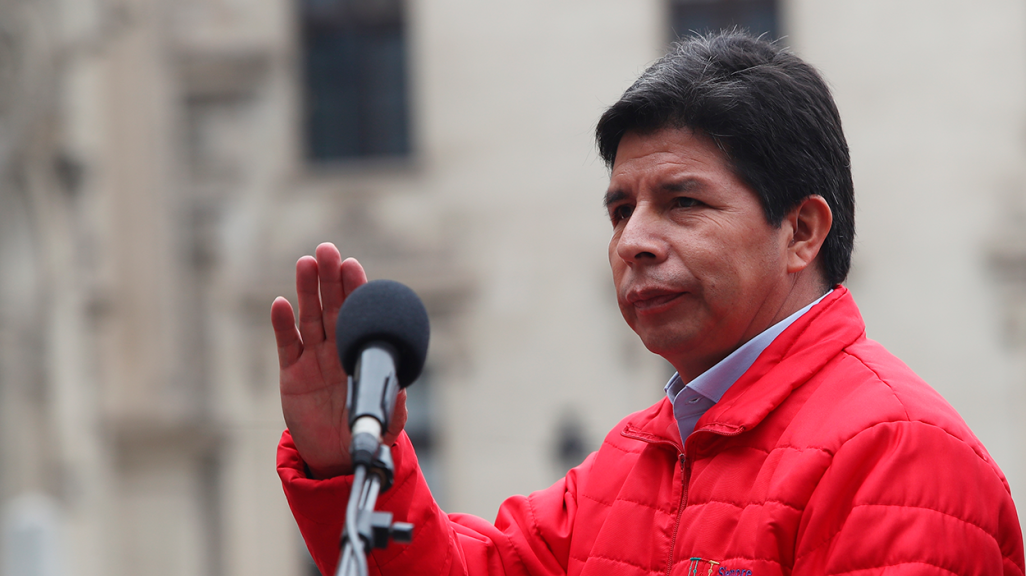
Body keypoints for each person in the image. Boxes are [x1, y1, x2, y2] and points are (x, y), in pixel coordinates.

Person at [272, 31, 1025, 575]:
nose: (634, 240)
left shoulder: (897, 453)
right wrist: (341, 462)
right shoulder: (632, 462)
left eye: (683, 201)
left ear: (801, 230)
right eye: (619, 209)